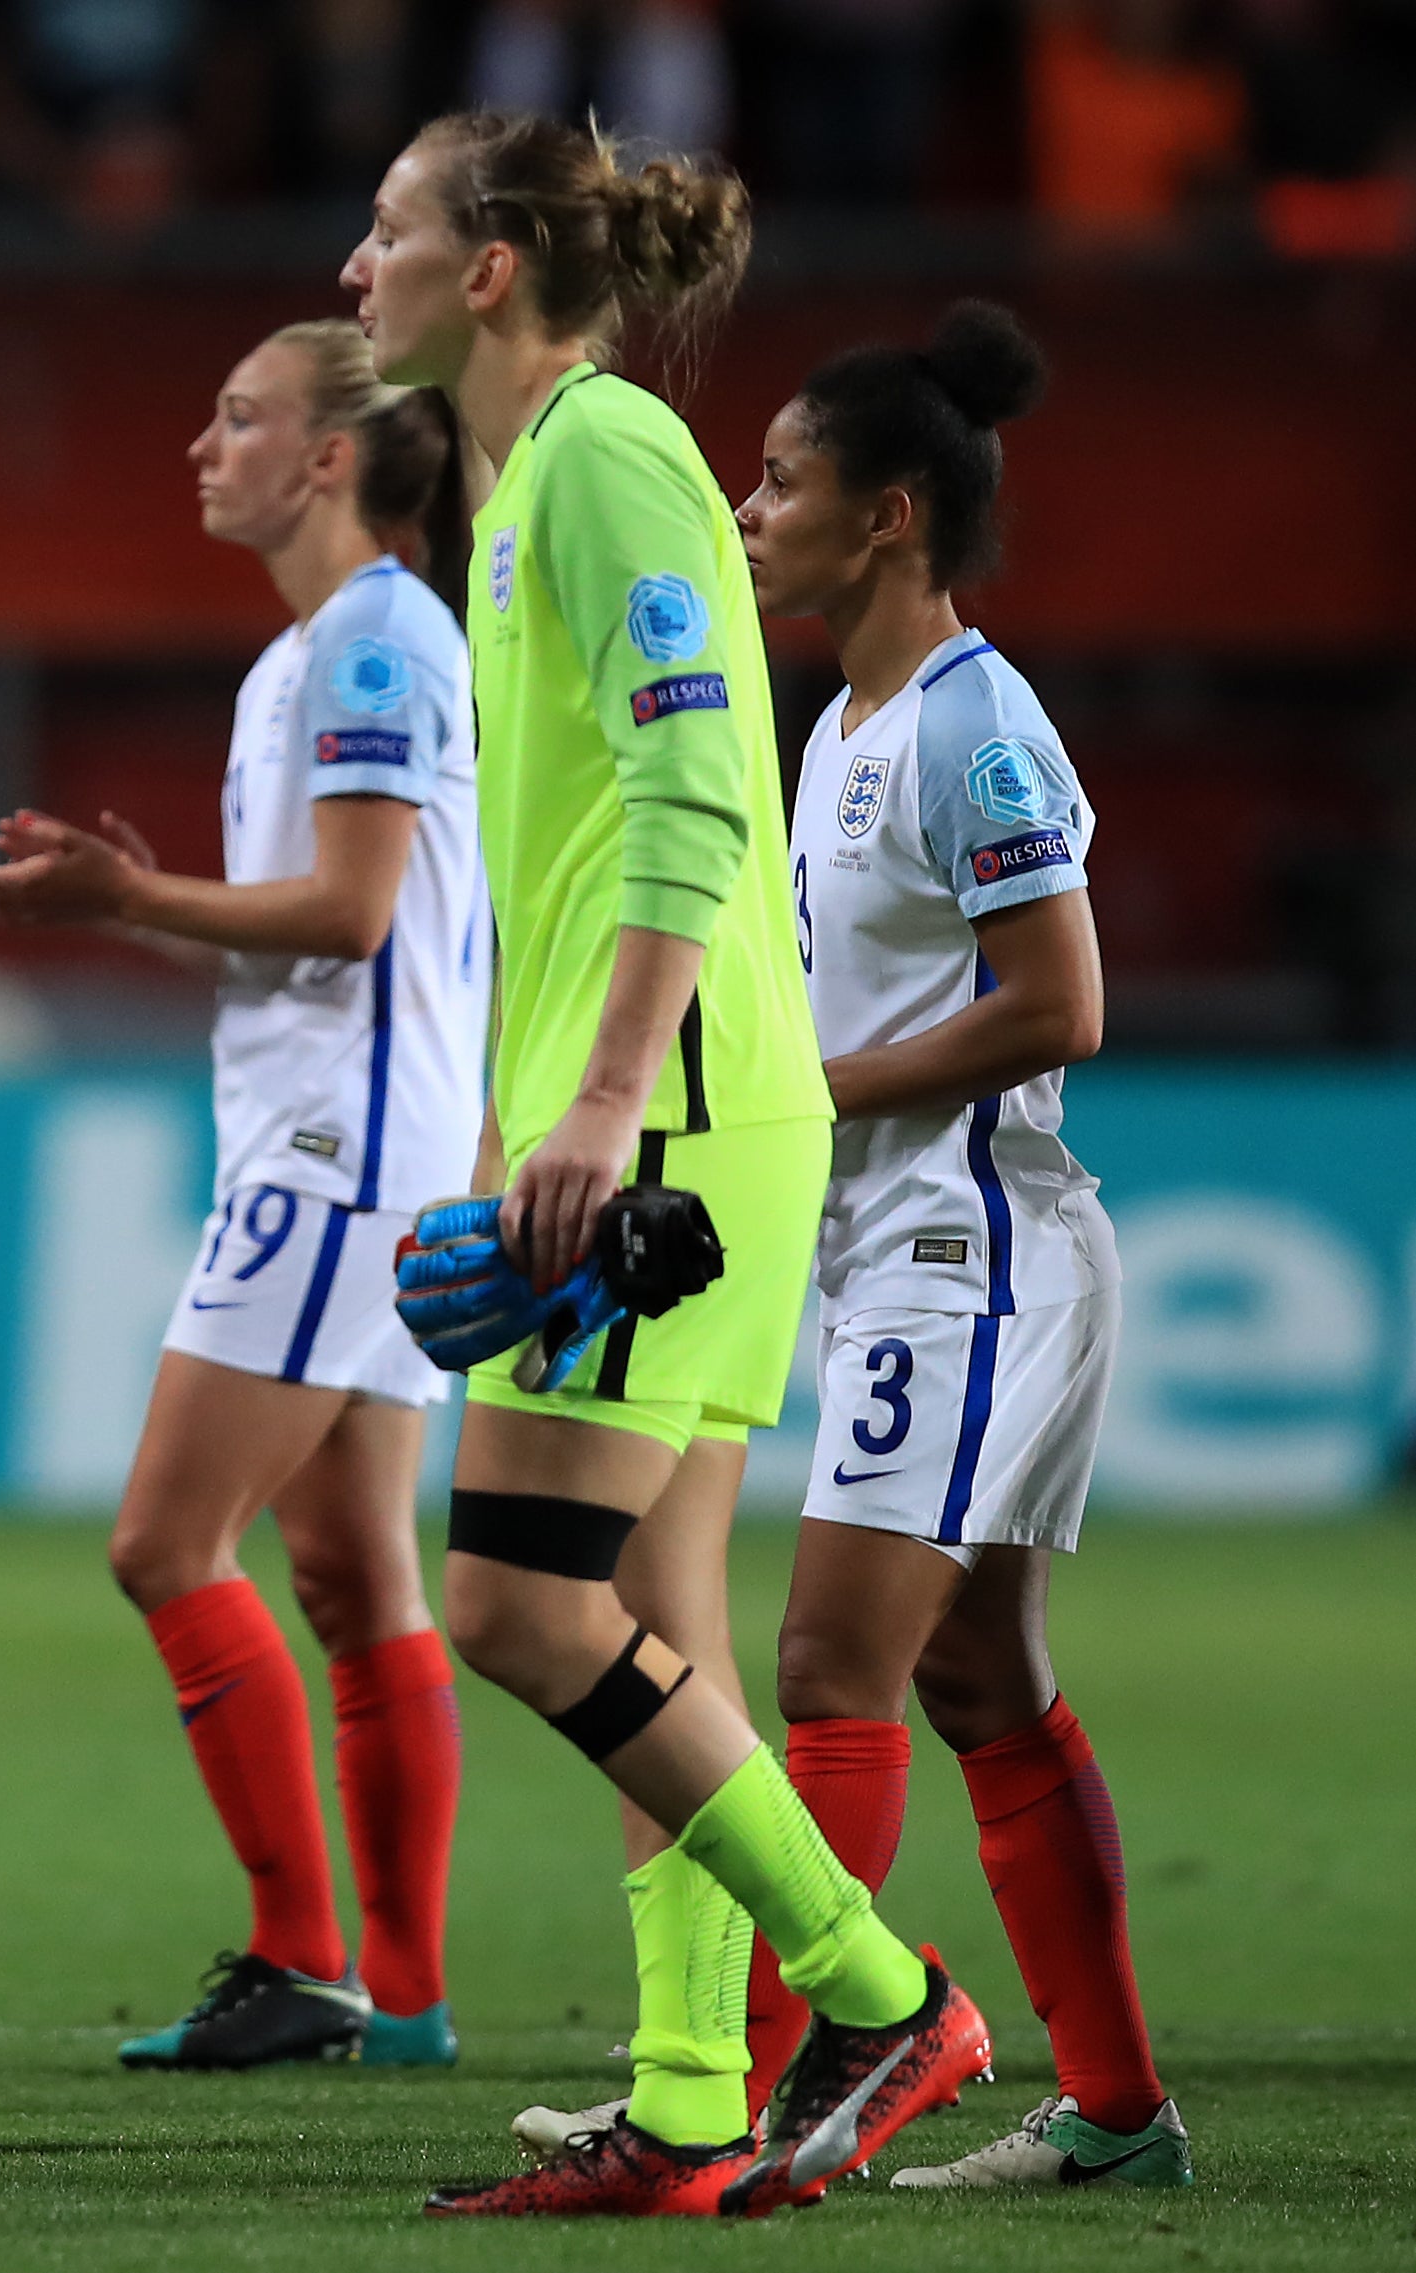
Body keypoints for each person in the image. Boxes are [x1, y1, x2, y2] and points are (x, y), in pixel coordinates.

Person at [345, 110, 986, 2217]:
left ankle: (877, 1986)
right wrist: (521, 1094)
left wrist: (601, 1102)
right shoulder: (534, 478)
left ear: (495, 267)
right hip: (668, 1099)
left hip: (676, 1114)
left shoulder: (601, 456)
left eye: (388, 233)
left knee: (517, 1601)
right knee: (656, 1610)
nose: (358, 268)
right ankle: (693, 2095)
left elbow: (702, 779)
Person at [0, 319, 481, 2074]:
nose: (204, 442)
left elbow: (351, 912)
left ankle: (302, 1956)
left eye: (240, 415)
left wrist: (124, 896)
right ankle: (398, 1996)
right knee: (346, 1563)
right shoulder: (320, 654)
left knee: (166, 1541)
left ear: (331, 458)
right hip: (365, 1150)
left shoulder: (372, 644)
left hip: (338, 1161)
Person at [735, 300, 1191, 2191]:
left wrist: (822, 1092)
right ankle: (1113, 2111)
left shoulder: (975, 725)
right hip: (889, 1246)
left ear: (891, 515)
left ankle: (776, 2092)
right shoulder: (841, 718)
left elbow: (1060, 999)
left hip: (975, 1247)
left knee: (833, 1665)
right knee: (979, 1675)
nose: (750, 512)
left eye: (783, 481)